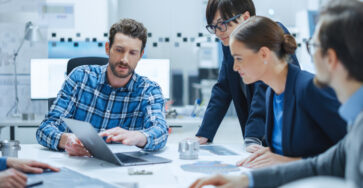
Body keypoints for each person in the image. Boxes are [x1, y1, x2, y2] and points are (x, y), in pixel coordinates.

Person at [190, 0, 363, 187]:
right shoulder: (357, 122)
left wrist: (258, 143)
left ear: (331, 58)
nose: (235, 66)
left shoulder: (307, 90)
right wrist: (246, 179)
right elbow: (323, 164)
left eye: (312, 46)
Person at [36, 19, 168, 156]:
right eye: (119, 50)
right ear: (107, 48)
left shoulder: (149, 90)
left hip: (124, 170)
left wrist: (139, 136)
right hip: (80, 165)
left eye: (132, 53)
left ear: (140, 55)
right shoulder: (80, 78)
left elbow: (161, 131)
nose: (125, 59)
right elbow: (45, 129)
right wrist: (66, 140)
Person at [195, 0, 300, 152]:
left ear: (245, 17)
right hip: (258, 137)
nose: (218, 33)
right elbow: (223, 87)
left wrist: (252, 136)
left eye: (222, 24)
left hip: (285, 134)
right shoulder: (231, 42)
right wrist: (204, 133)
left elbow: (266, 86)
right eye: (213, 27)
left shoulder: (271, 34)